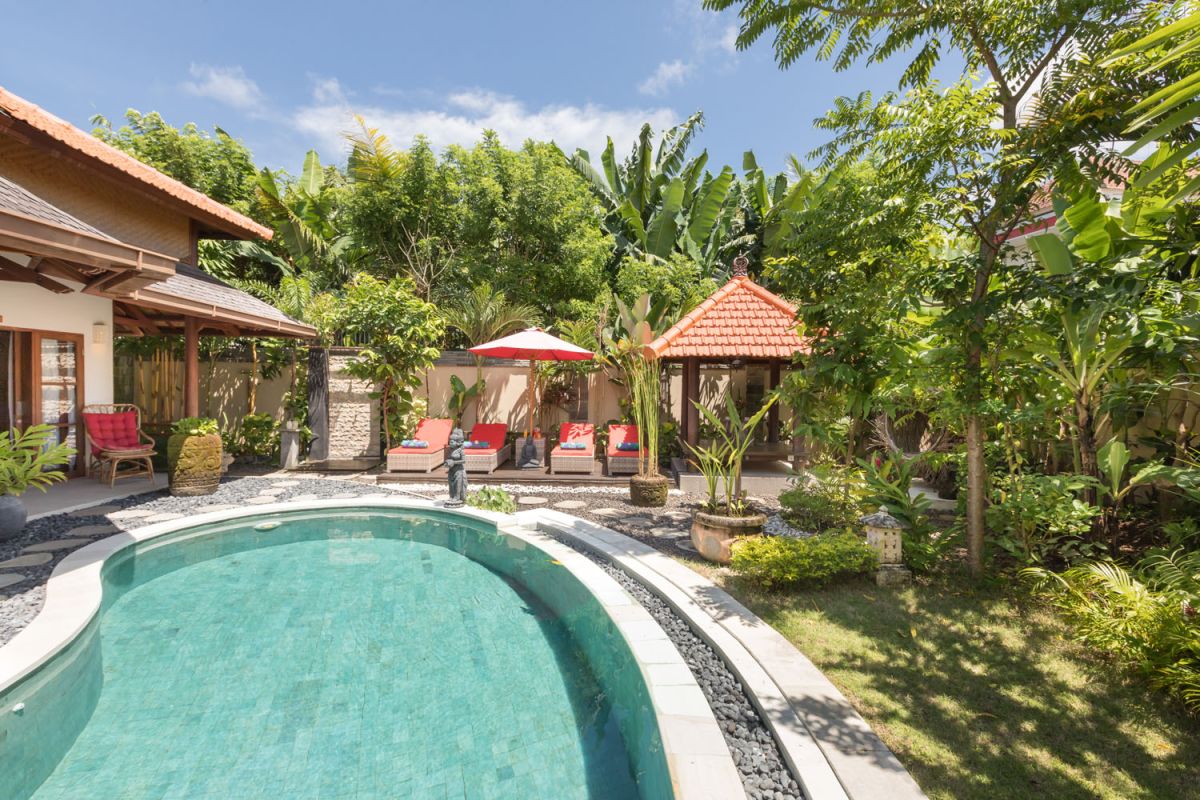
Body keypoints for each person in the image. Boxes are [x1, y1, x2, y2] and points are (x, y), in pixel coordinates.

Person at [445, 427, 467, 507]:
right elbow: (448, 458)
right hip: (451, 470)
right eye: (450, 441)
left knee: (457, 484)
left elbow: (463, 461)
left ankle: (457, 497)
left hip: (458, 470)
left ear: (457, 442)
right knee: (451, 484)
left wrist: (454, 462)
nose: (450, 443)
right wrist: (447, 462)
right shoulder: (450, 450)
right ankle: (452, 496)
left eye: (452, 441)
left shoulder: (460, 451)